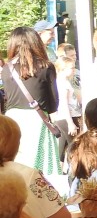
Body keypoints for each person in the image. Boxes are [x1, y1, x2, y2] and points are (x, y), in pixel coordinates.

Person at [1, 26, 62, 176]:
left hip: (13, 121)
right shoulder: (46, 66)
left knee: (17, 166)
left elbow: (7, 98)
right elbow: (54, 104)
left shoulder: (6, 69)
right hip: (37, 120)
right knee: (42, 170)